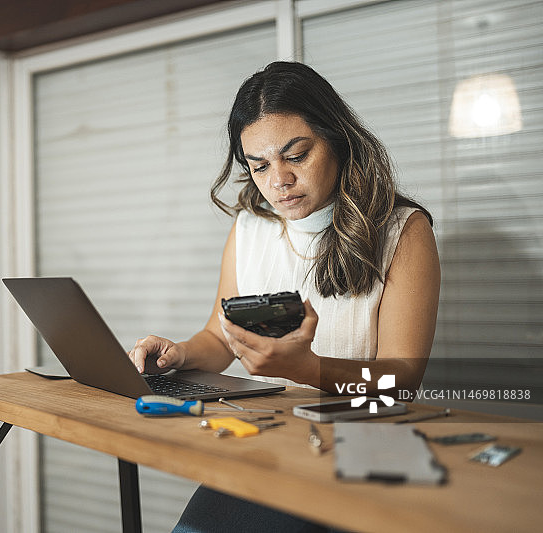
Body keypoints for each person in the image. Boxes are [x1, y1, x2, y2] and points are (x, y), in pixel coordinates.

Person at [127, 61, 440, 532]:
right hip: (269, 439)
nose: (279, 180)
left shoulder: (403, 231)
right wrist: (180, 354)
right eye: (259, 165)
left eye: (296, 155)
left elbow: (402, 381)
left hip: (362, 448)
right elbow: (220, 337)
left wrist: (305, 368)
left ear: (337, 140)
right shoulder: (250, 228)